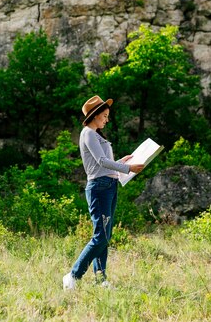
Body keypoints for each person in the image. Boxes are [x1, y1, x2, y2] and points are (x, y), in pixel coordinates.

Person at [63, 95, 145, 290]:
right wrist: (129, 168)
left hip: (108, 185)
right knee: (101, 236)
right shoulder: (88, 133)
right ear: (95, 115)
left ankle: (101, 280)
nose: (107, 120)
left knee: (105, 236)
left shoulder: (97, 135)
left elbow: (105, 165)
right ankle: (73, 275)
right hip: (100, 187)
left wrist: (122, 163)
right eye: (105, 116)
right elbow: (100, 162)